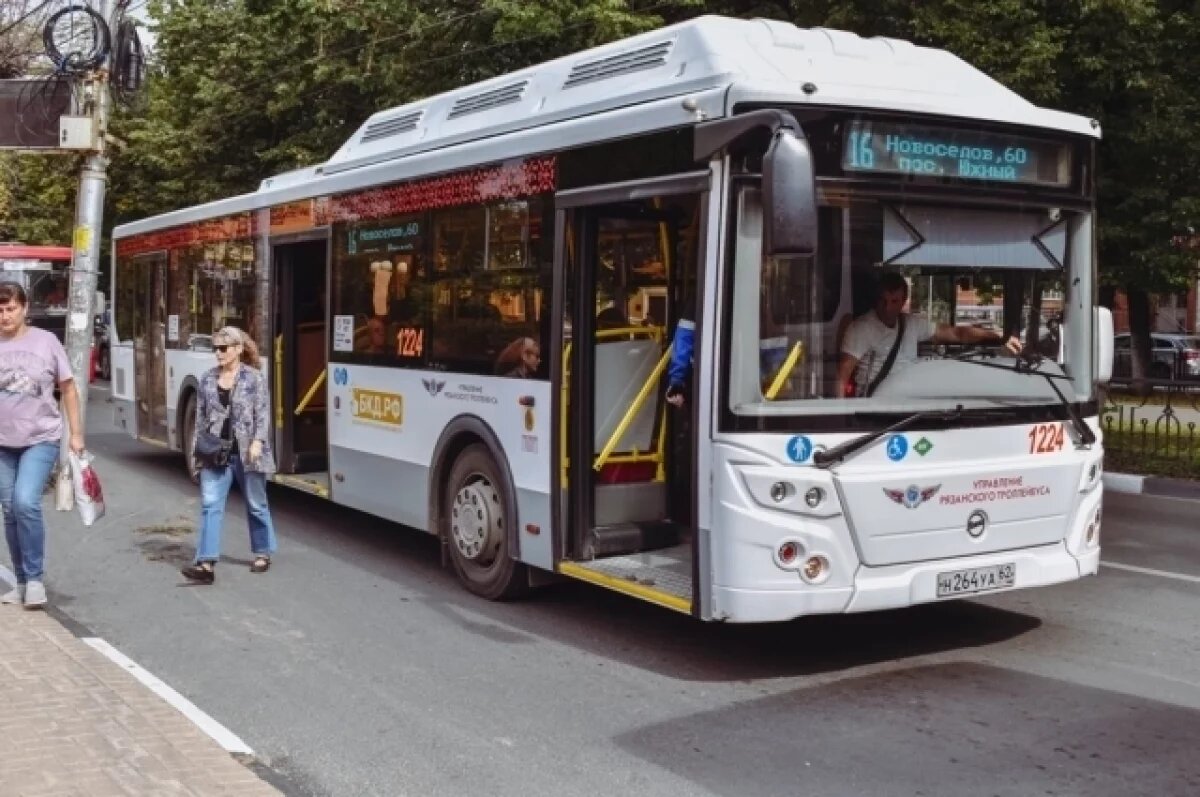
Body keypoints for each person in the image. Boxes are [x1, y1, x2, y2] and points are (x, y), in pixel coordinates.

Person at [0, 281, 85, 608]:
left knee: (24, 503)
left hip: (40, 438)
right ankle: (20, 581)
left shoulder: (46, 342)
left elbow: (69, 388)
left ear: (24, 309)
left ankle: (35, 579)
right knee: (9, 511)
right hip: (3, 443)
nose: (6, 316)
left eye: (11, 309)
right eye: (1, 310)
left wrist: (76, 434)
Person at [181, 326, 277, 583]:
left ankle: (262, 552)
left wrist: (258, 441)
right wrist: (197, 453)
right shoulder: (207, 379)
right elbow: (200, 419)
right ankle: (206, 563)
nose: (218, 353)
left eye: (223, 348)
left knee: (256, 504)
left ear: (238, 349)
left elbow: (263, 414)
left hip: (248, 453)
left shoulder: (254, 378)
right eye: (215, 349)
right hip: (216, 453)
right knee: (211, 505)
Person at [837, 272, 1023, 397]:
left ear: (903, 301)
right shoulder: (860, 329)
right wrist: (841, 420)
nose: (888, 308)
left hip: (911, 402)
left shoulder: (912, 324)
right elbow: (841, 378)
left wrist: (999, 336)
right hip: (875, 405)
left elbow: (957, 333)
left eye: (894, 301)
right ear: (876, 299)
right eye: (883, 300)